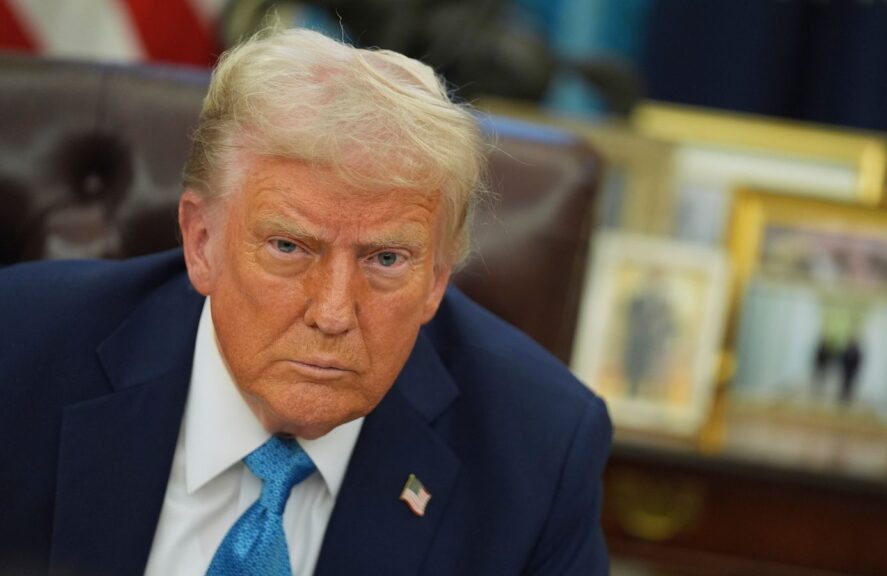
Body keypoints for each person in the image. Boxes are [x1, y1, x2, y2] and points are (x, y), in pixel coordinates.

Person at [0, 28, 612, 576]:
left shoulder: (539, 451)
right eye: (290, 247)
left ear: (435, 279)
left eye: (387, 259)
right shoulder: (21, 349)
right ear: (202, 241)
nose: (334, 312)